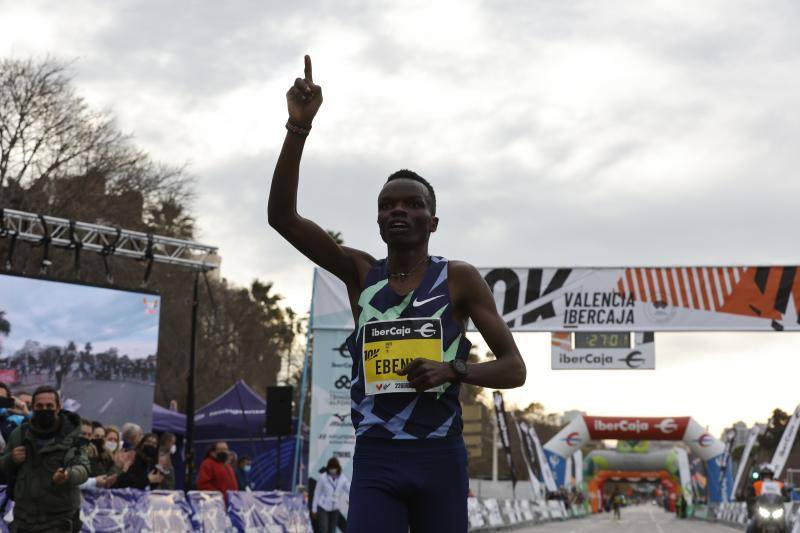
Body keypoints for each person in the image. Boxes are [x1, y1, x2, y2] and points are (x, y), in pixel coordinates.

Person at [268, 56, 527, 532]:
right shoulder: (359, 272)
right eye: (387, 206)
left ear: (433, 221)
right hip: (377, 457)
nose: (398, 211)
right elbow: (283, 218)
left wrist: (453, 370)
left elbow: (515, 369)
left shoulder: (459, 279)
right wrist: (297, 129)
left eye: (413, 204)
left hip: (440, 455)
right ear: (378, 221)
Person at [0, 385, 90, 532]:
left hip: (60, 521)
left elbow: (82, 467)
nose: (44, 409)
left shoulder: (71, 436)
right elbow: (3, 465)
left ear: (58, 408)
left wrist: (68, 475)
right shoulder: (20, 434)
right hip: (23, 520)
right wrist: (12, 459)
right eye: (40, 406)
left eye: (49, 406)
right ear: (33, 408)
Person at [312, 457, 350, 533]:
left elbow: (349, 489)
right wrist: (314, 509)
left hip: (335, 508)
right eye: (331, 468)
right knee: (324, 529)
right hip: (323, 507)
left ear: (338, 468)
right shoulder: (323, 477)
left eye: (334, 468)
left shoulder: (342, 478)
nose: (333, 470)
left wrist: (354, 497)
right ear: (328, 468)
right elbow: (317, 493)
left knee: (332, 531)